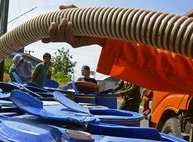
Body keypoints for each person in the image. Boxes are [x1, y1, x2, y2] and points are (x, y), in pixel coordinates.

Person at [42, 5, 193, 95]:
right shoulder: (80, 81)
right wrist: (99, 34)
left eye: (84, 70)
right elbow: (176, 69)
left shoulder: (93, 81)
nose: (83, 73)